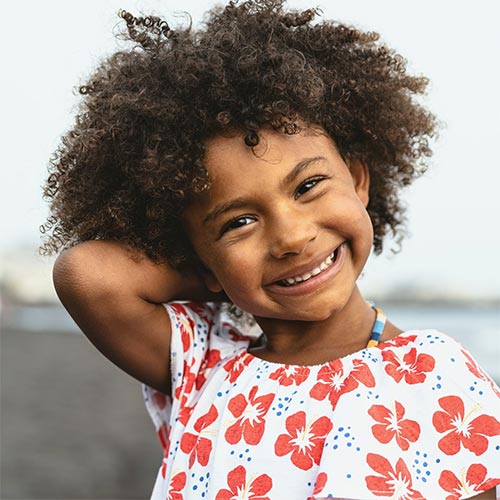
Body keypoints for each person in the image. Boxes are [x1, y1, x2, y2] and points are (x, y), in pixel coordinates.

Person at [41, 1, 500, 498]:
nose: (292, 237)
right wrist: (223, 269)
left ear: (359, 179)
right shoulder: (208, 361)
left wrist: (235, 262)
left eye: (308, 186)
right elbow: (86, 274)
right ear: (198, 256)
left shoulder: (435, 376)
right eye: (239, 222)